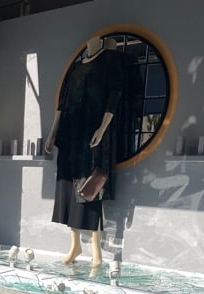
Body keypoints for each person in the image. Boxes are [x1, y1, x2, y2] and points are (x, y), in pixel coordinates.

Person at [44, 36, 125, 267]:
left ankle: (96, 253)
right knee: (70, 189)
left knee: (89, 190)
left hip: (90, 133)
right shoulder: (77, 68)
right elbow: (62, 103)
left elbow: (114, 95)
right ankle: (75, 245)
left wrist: (102, 127)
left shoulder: (108, 61)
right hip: (70, 133)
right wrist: (52, 133)